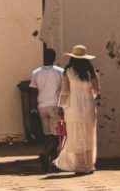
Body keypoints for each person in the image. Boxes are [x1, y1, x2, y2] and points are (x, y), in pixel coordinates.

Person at [53, 44, 100, 175]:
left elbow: (65, 90)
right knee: (88, 133)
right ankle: (88, 164)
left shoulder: (67, 71)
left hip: (72, 104)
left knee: (74, 133)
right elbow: (96, 90)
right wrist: (87, 94)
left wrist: (61, 107)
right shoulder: (91, 71)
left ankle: (78, 165)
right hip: (88, 103)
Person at [29, 48, 64, 172]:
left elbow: (33, 92)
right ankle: (46, 154)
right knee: (57, 135)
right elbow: (64, 90)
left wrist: (33, 108)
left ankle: (52, 161)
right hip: (54, 105)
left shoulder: (36, 73)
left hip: (41, 106)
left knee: (48, 135)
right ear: (54, 58)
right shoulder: (60, 72)